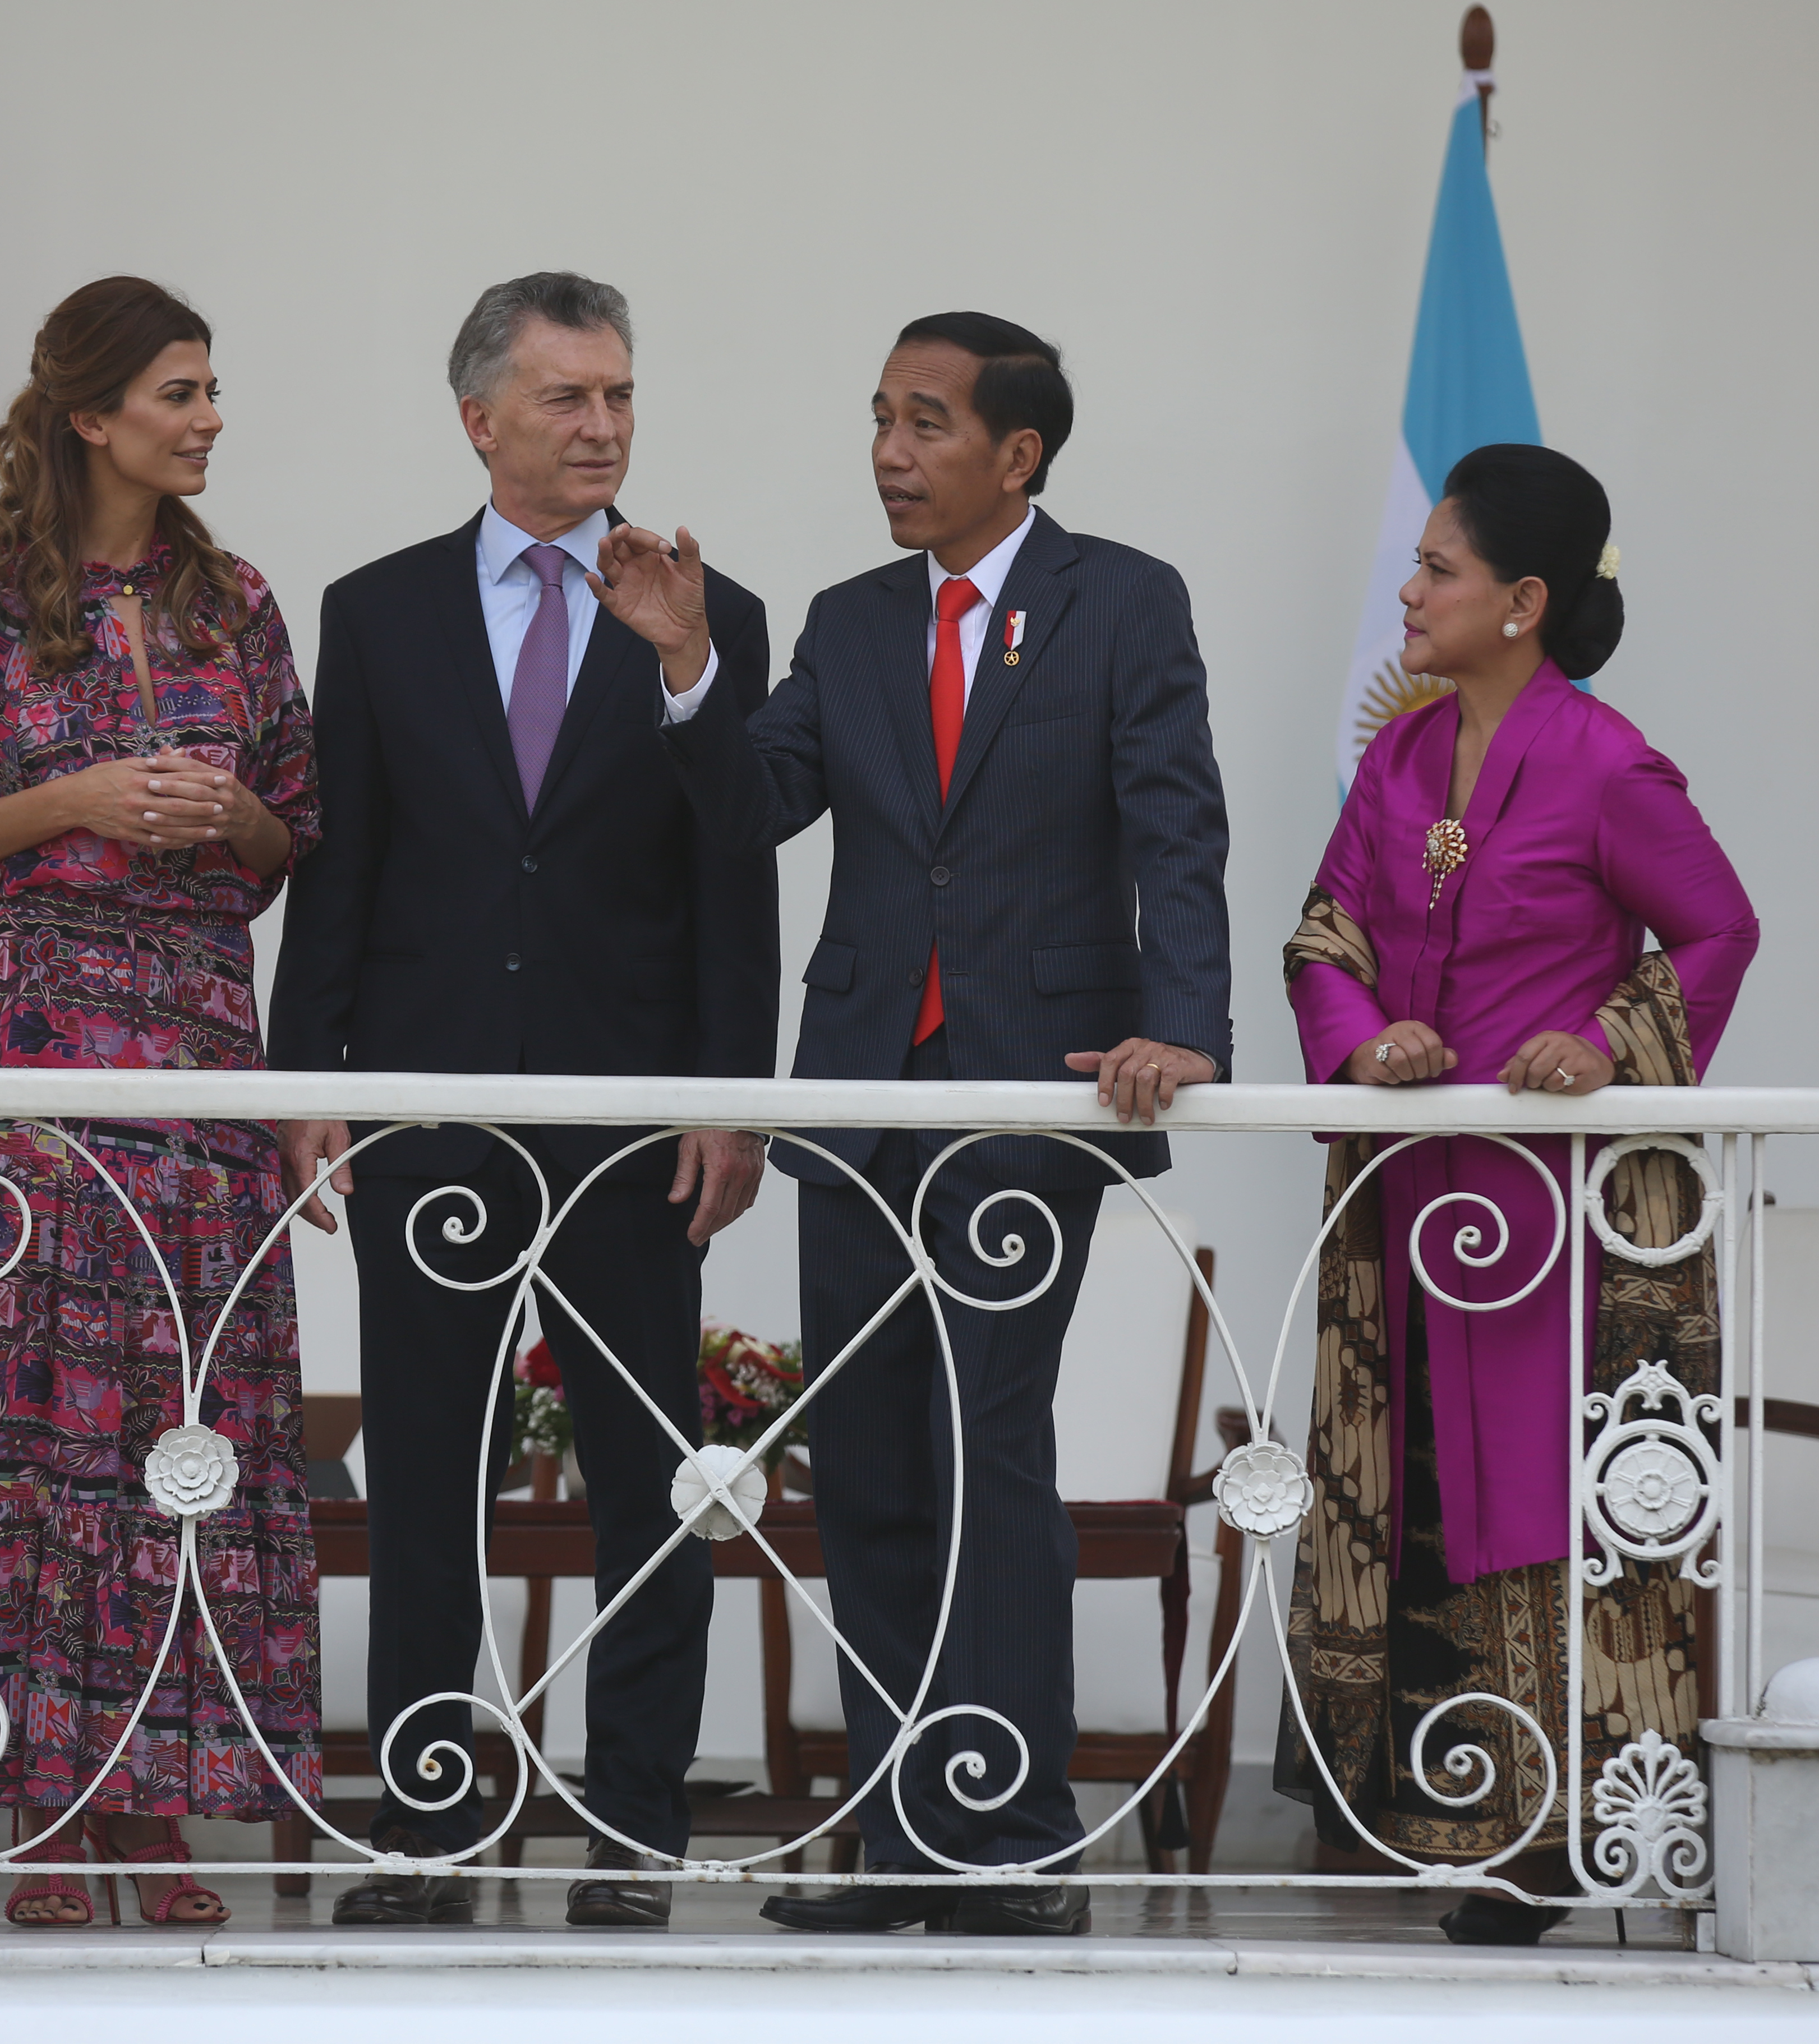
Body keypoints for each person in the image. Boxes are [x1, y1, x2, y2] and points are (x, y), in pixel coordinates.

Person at [595, 312, 1233, 1936]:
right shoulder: (849, 621)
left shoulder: (1123, 599)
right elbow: (755, 808)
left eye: (925, 422)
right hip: (867, 1100)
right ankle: (896, 1841)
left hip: (1033, 1094)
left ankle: (1007, 1834)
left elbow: (1176, 818)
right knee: (868, 1463)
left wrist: (1186, 1020)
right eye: (878, 417)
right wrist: (684, 664)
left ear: (1015, 454)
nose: (889, 450)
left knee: (986, 1448)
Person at [266, 272, 779, 1928]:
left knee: (650, 1477)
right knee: (427, 1472)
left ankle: (632, 1832)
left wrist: (730, 1099)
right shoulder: (379, 608)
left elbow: (736, 878)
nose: (603, 427)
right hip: (428, 1111)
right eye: (567, 397)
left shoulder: (710, 615)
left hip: (634, 1120)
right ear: (478, 415)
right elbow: (340, 875)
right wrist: (305, 1080)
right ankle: (422, 1829)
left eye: (620, 396)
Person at [0, 276, 323, 1930]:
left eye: (212, 390)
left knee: (183, 1433)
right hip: (40, 1059)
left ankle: (161, 1808)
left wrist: (231, 817)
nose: (207, 418)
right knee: (40, 1427)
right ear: (91, 415)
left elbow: (301, 847)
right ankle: (47, 1805)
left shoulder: (241, 602)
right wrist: (72, 799)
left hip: (199, 1051)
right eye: (179, 392)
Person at [1273, 444, 1760, 1945]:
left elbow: (1716, 932)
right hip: (1407, 1201)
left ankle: (1552, 1833)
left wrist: (1601, 1044)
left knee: (1535, 1511)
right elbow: (1322, 942)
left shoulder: (1609, 764)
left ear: (1523, 601)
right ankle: (1420, 1814)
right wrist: (1365, 1047)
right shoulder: (1394, 762)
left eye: (1436, 570)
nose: (1407, 592)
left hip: (1553, 1220)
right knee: (1403, 1496)